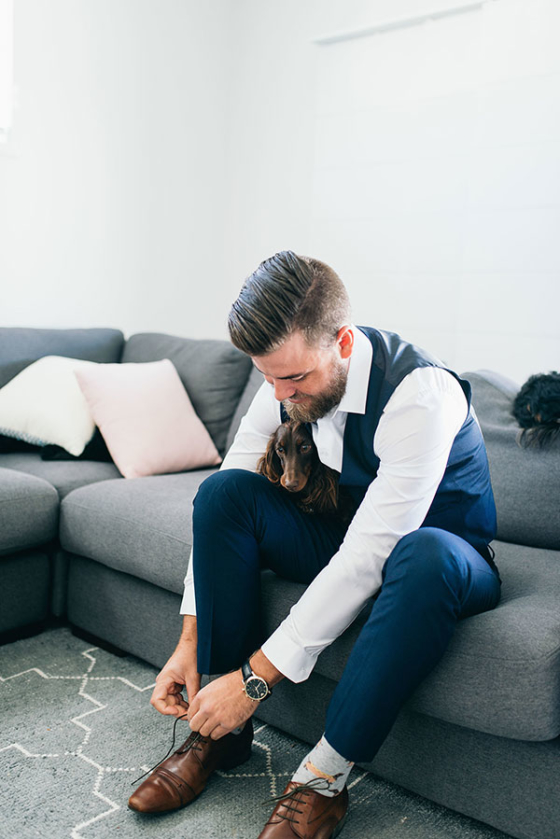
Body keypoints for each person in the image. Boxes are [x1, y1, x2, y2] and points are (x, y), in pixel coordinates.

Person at [128, 251, 502, 838]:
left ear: (344, 343)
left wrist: (253, 681)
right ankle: (217, 737)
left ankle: (323, 778)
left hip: (446, 554)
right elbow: (229, 487)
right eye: (267, 377)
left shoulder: (420, 394)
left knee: (422, 554)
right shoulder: (283, 378)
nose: (280, 393)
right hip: (348, 534)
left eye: (294, 379)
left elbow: (369, 556)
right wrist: (190, 638)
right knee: (225, 494)